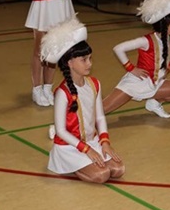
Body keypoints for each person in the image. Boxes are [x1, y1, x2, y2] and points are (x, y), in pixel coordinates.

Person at [41, 17, 124, 184]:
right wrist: (86, 150)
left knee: (118, 169)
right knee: (102, 175)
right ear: (70, 63)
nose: (89, 64)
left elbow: (100, 117)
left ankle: (89, 163)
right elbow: (61, 131)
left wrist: (104, 142)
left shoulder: (94, 84)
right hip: (70, 147)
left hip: (92, 141)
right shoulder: (62, 93)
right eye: (84, 60)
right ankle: (72, 165)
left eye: (90, 58)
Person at [102, 0, 170, 119]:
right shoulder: (146, 41)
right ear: (165, 24)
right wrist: (131, 68)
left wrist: (168, 67)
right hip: (137, 83)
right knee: (102, 109)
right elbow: (118, 48)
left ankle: (154, 103)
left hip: (155, 84)